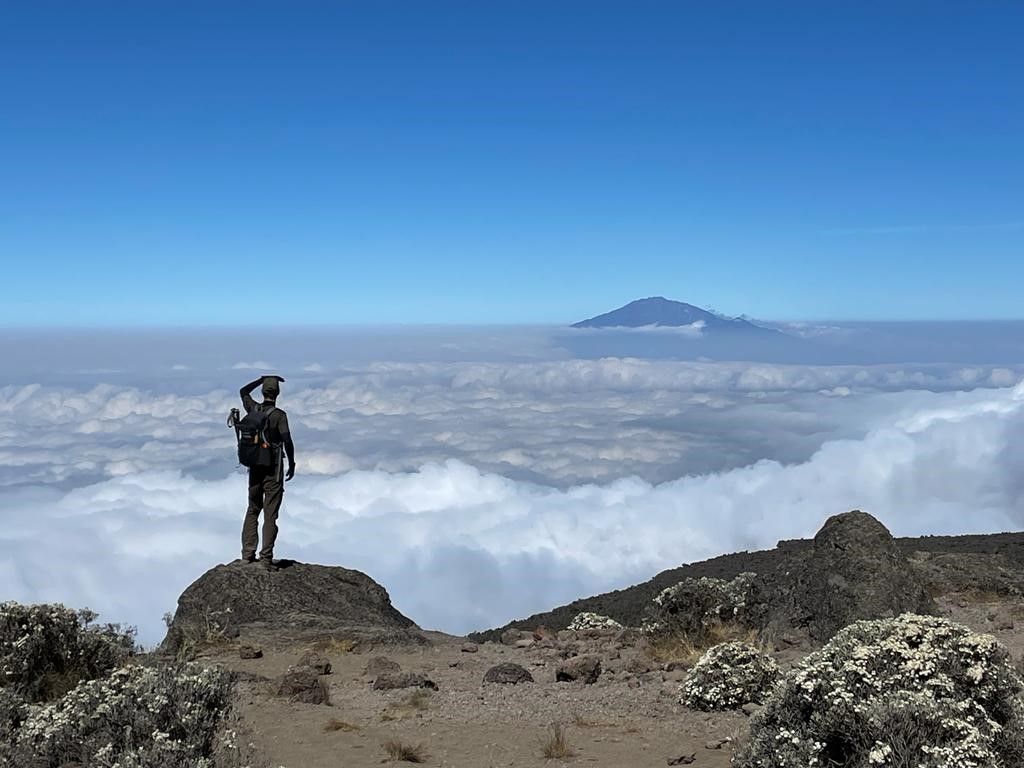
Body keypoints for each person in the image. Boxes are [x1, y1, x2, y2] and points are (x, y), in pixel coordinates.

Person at [239, 375, 296, 570]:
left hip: (254, 467)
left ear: (263, 392)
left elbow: (243, 392)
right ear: (277, 393)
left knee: (253, 509)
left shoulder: (253, 409)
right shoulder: (279, 416)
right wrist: (292, 462)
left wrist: (259, 379)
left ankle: (247, 555)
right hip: (273, 469)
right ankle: (265, 558)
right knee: (270, 514)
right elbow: (287, 441)